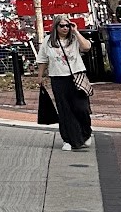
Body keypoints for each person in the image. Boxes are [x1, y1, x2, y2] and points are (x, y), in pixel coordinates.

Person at [35, 15, 94, 151]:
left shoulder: (74, 39)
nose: (65, 28)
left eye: (67, 25)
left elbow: (86, 47)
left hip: (76, 76)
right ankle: (68, 139)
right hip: (58, 78)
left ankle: (85, 132)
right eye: (62, 26)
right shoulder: (48, 41)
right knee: (64, 109)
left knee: (81, 107)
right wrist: (40, 76)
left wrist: (76, 31)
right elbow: (42, 59)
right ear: (56, 27)